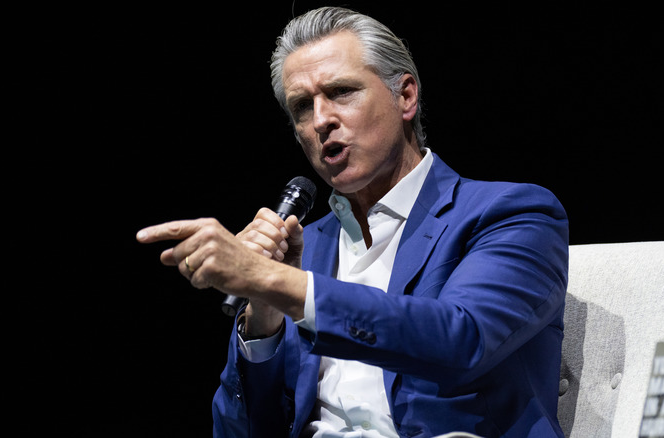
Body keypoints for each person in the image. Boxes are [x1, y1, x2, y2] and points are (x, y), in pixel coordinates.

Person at [137, 7, 569, 437]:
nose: (321, 119)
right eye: (302, 107)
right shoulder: (307, 244)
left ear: (405, 97)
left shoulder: (509, 212)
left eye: (341, 91)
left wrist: (274, 282)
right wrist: (263, 313)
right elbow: (241, 432)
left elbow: (461, 339)